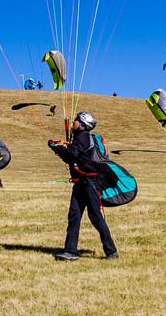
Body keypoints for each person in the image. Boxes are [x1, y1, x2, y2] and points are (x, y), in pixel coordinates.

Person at [48, 112, 118, 261]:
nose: (73, 122)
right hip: (80, 183)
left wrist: (56, 148)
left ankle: (111, 252)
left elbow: (72, 154)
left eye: (76, 120)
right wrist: (57, 149)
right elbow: (71, 157)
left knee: (95, 217)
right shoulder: (79, 138)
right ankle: (70, 251)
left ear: (82, 124)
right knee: (74, 216)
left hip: (89, 183)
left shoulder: (83, 137)